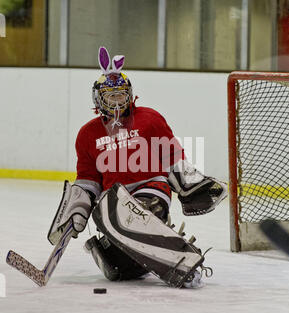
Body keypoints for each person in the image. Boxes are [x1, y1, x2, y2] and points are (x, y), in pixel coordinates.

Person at [48, 46, 227, 288]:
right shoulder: (87, 134)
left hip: (151, 187)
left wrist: (191, 183)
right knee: (118, 267)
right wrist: (77, 210)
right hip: (112, 200)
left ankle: (186, 263)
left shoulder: (149, 119)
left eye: (121, 95)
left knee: (135, 213)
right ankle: (155, 257)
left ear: (130, 95)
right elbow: (88, 179)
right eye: (110, 96)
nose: (116, 101)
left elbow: (172, 155)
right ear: (97, 99)